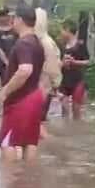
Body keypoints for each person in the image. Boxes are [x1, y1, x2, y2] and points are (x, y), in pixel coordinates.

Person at [0, 5, 45, 162]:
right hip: (35, 95)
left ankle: (9, 180)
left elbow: (25, 70)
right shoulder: (37, 42)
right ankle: (29, 180)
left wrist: (4, 92)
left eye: (14, 18)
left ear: (20, 20)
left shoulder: (23, 43)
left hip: (21, 99)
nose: (12, 21)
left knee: (6, 141)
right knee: (29, 141)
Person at [34, 8, 62, 138]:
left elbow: (53, 68)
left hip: (42, 87)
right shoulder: (44, 40)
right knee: (38, 123)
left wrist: (54, 86)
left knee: (37, 124)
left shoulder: (44, 42)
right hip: (43, 87)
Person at [59, 20, 90, 120]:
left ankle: (77, 131)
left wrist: (74, 62)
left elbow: (87, 61)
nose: (61, 33)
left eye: (62, 30)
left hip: (77, 80)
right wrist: (62, 62)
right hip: (64, 80)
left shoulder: (80, 45)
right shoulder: (61, 45)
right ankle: (66, 132)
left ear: (68, 30)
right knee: (64, 109)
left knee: (76, 110)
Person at [0, 8, 19, 78]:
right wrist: (6, 62)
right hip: (2, 64)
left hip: (15, 62)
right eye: (0, 16)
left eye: (4, 16)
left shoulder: (15, 30)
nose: (2, 18)